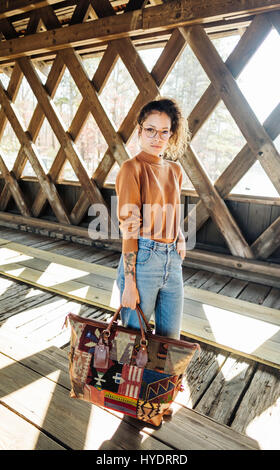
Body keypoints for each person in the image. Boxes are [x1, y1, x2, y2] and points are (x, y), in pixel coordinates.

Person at [115, 97, 190, 341]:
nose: (157, 138)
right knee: (133, 341)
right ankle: (128, 380)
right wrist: (129, 282)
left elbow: (172, 209)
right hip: (143, 259)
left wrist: (179, 236)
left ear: (171, 135)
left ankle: (160, 382)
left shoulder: (175, 171)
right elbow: (129, 228)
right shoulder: (131, 168)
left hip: (172, 260)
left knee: (171, 340)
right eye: (150, 130)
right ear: (139, 130)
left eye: (164, 132)